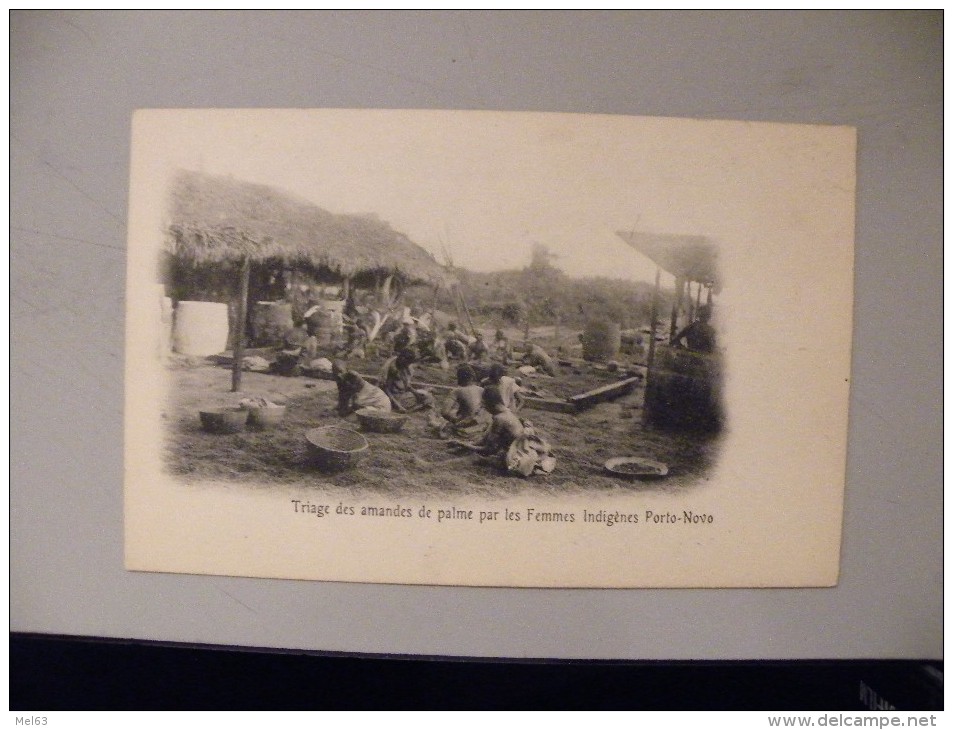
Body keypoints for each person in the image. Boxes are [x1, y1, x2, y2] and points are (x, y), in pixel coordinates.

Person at [432, 364, 489, 439]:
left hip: (465, 428)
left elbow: (444, 412)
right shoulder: (481, 389)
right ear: (472, 377)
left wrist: (455, 420)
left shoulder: (457, 391)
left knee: (442, 422)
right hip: (481, 426)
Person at [379, 348, 427, 413]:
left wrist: (416, 394)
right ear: (402, 358)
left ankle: (407, 409)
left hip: (401, 395)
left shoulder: (404, 367)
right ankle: (401, 409)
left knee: (425, 395)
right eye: (407, 363)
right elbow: (386, 389)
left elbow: (406, 385)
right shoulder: (393, 369)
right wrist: (397, 405)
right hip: (391, 397)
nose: (408, 365)